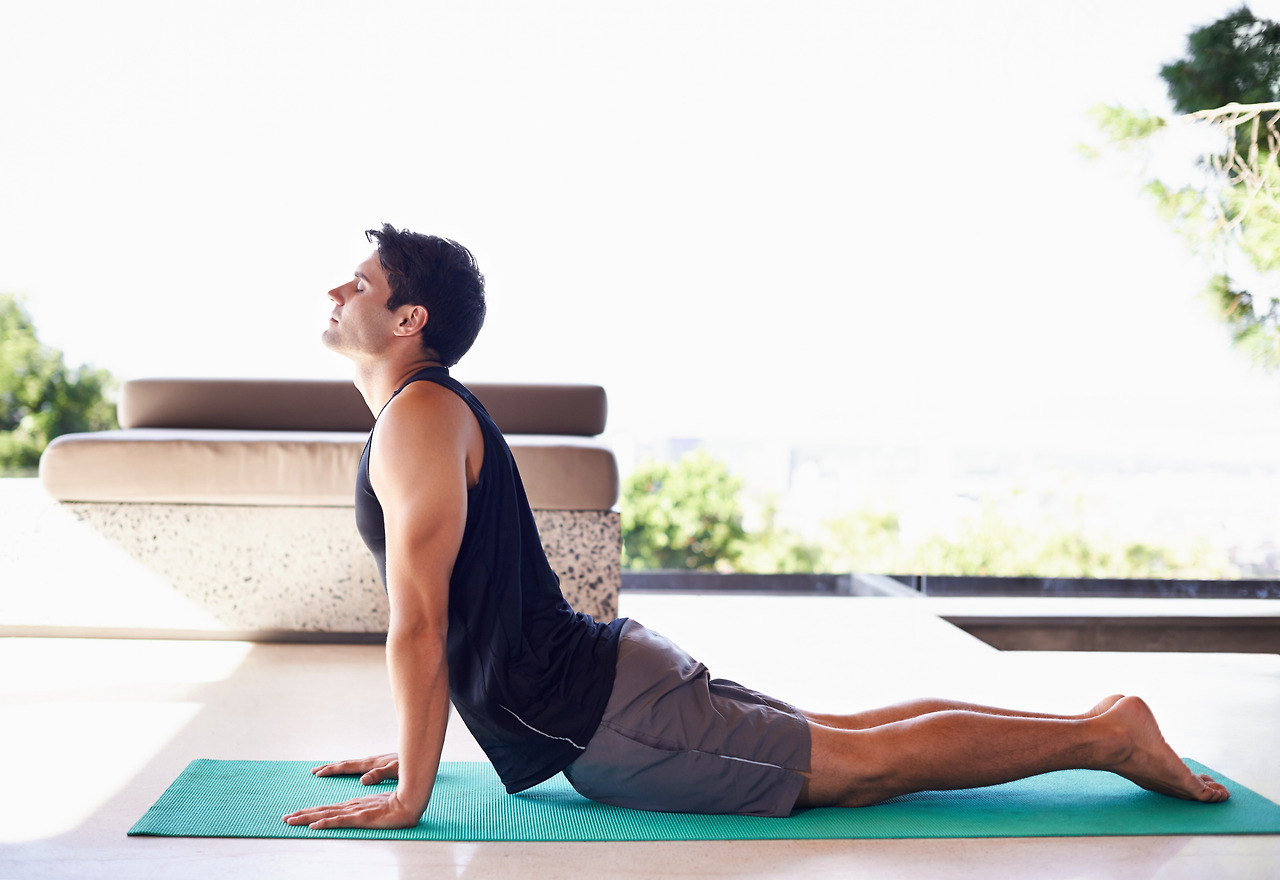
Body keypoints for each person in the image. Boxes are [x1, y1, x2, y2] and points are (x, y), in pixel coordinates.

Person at [283, 225, 1229, 831]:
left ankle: (1106, 740)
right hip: (607, 681)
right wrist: (414, 744)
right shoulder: (422, 412)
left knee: (858, 766)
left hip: (607, 716)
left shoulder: (417, 416)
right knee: (837, 731)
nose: (336, 292)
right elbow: (464, 610)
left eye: (357, 284)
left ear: (409, 318)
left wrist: (413, 794)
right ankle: (1100, 723)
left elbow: (422, 622)